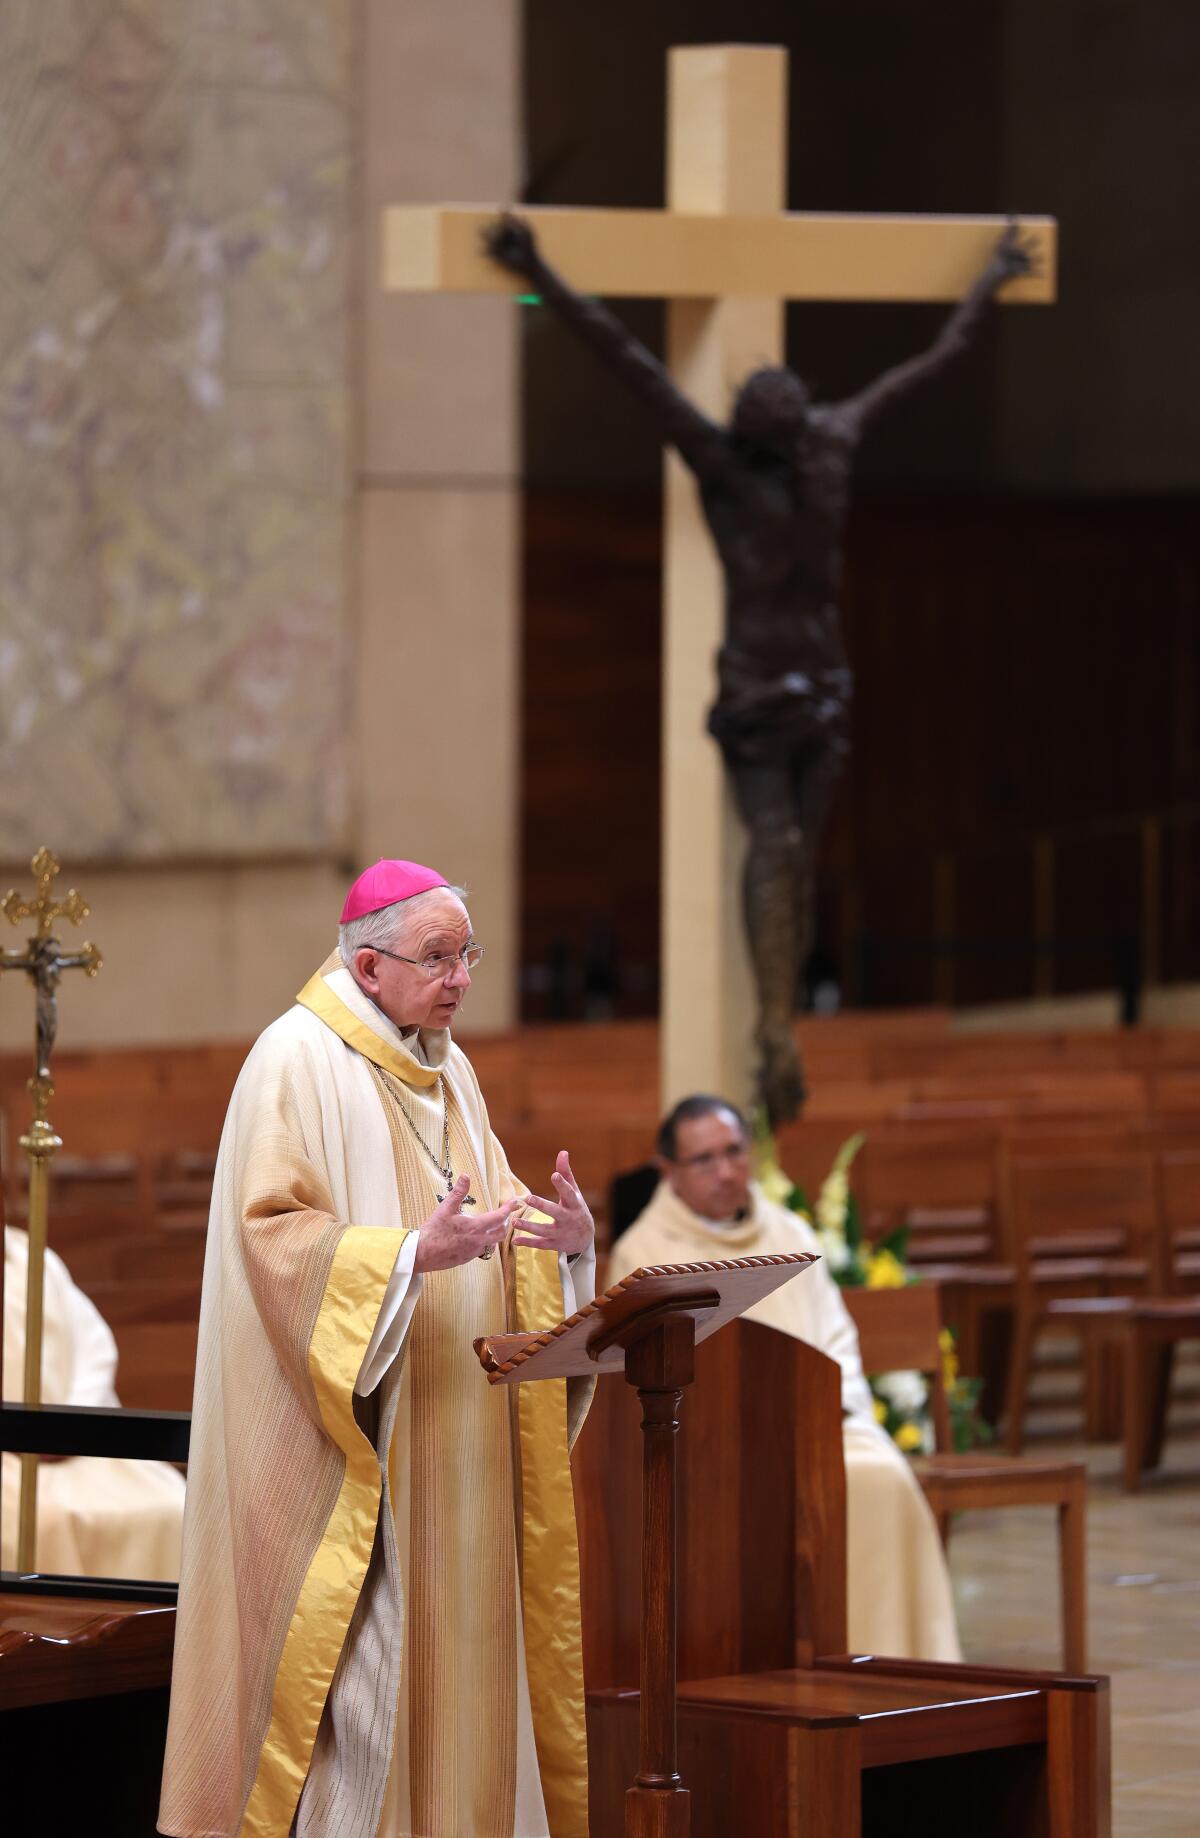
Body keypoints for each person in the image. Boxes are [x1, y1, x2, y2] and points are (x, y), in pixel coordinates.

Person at [486, 214, 1035, 1125]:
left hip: (816, 689)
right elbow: (628, 360)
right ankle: (775, 1030)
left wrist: (992, 283)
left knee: (798, 859)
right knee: (779, 850)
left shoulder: (804, 446)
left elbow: (933, 366)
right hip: (763, 696)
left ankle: (779, 1019)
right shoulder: (761, 453)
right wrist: (535, 267)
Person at [159, 860, 596, 1838]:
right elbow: (270, 1235)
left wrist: (562, 1247)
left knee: (467, 1714)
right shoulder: (294, 1061)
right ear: (367, 964)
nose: (461, 978)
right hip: (367, 1465)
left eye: (466, 953)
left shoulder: (450, 1068)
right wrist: (406, 1258)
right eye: (438, 956)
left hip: (467, 1463)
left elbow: (492, 1212)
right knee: (359, 1723)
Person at [606, 1095, 961, 1663]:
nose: (725, 1171)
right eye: (704, 1160)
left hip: (818, 1424)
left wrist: (831, 1411)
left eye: (734, 1152)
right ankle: (813, 1664)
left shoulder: (791, 1231)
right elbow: (639, 1377)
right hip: (718, 1446)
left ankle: (900, 1667)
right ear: (668, 1171)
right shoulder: (644, 1255)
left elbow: (837, 1340)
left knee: (883, 1478)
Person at [2, 1224, 186, 1579]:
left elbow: (94, 1349)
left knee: (172, 1506)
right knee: (45, 1522)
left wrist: (66, 1425)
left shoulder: (35, 1259)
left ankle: (154, 1631)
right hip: (8, 1458)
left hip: (73, 1443)